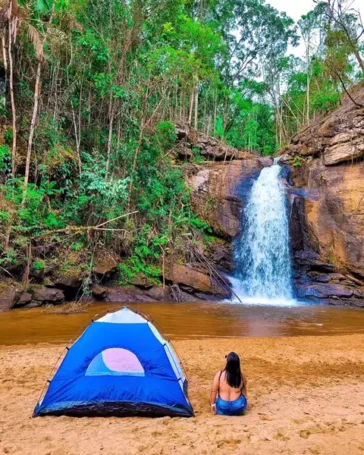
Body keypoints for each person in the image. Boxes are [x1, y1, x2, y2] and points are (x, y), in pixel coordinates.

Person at [210, 352, 247, 416]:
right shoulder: (241, 376)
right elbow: (244, 387)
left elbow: (213, 391)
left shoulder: (220, 374)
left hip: (223, 406)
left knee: (212, 399)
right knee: (243, 389)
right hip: (237, 407)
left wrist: (212, 405)